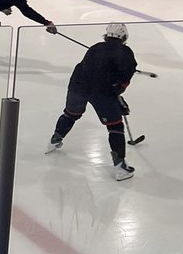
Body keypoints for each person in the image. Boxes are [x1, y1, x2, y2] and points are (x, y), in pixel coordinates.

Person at [45, 23, 138, 181]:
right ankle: (120, 167)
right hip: (101, 92)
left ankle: (55, 140)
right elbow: (124, 77)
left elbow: (93, 69)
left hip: (77, 86)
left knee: (70, 114)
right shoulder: (125, 51)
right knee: (115, 125)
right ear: (124, 37)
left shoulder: (95, 48)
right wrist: (118, 94)